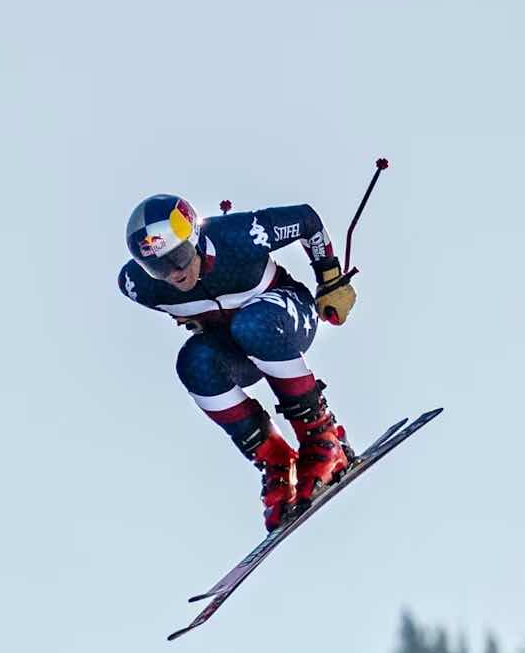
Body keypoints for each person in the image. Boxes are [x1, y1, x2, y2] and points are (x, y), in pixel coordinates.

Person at [118, 194, 359, 530]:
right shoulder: (138, 286)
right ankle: (276, 460)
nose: (174, 272)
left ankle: (322, 437)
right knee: (194, 361)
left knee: (251, 324)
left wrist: (329, 279)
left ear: (196, 238)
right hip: (237, 344)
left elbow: (307, 220)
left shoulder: (238, 235)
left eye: (179, 255)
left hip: (283, 316)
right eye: (158, 266)